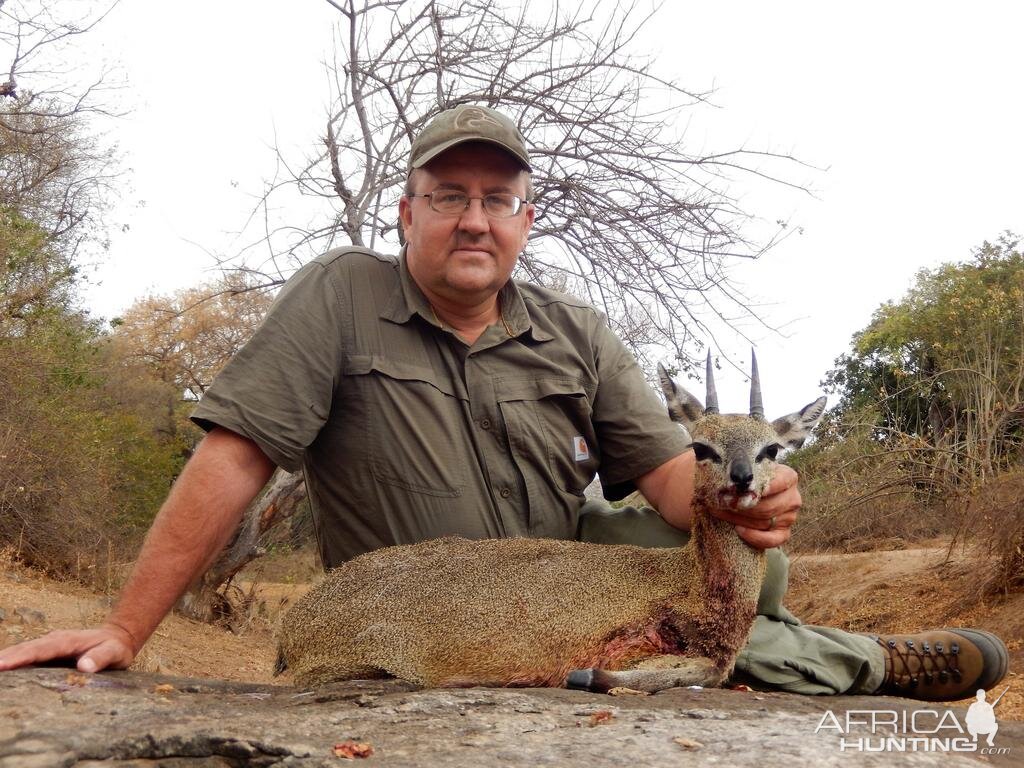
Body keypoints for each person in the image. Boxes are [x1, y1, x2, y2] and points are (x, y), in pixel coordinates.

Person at [0, 105, 1008, 701]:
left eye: (496, 199)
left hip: (559, 575)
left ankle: (862, 662)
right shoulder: (339, 295)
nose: (472, 219)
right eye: (448, 197)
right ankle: (857, 664)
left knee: (745, 576)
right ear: (407, 212)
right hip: (417, 597)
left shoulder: (572, 327)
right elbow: (233, 458)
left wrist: (746, 501)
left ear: (526, 219)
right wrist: (127, 628)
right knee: (717, 624)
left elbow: (665, 477)